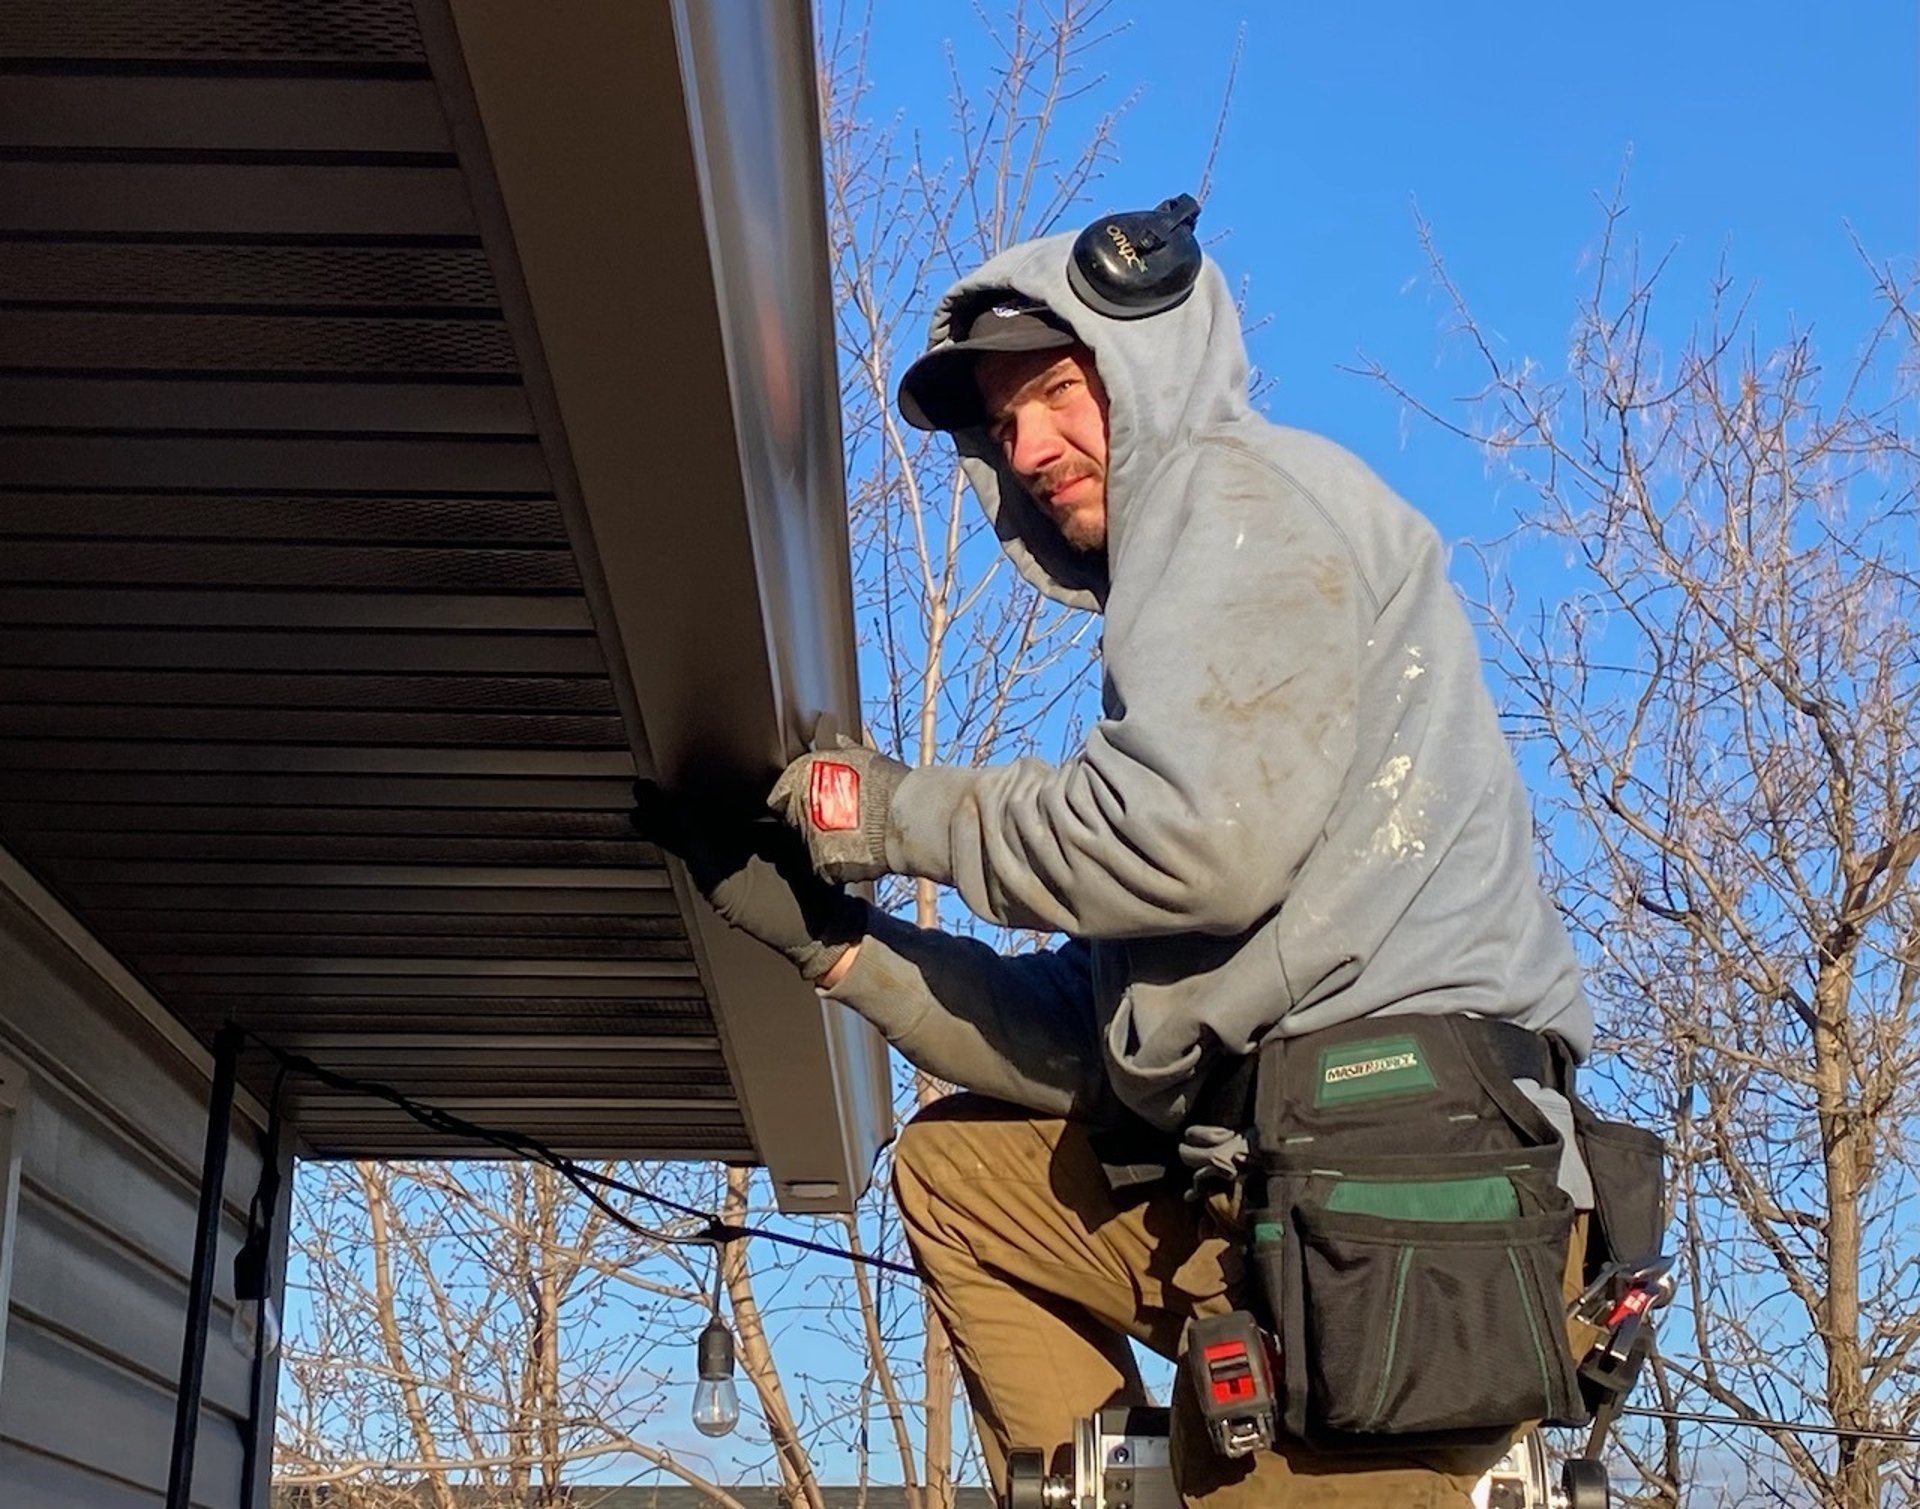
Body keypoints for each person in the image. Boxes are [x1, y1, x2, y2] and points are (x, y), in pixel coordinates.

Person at [636, 201, 1605, 1509]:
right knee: (957, 1174)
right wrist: (843, 944)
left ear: (1141, 363)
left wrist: (881, 812)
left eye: (1050, 389)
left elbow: (1193, 845)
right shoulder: (1199, 640)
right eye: (1001, 421)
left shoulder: (1238, 495)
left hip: (1394, 1218)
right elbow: (1097, 1038)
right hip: (1266, 1183)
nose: (1026, 443)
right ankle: (1117, 1488)